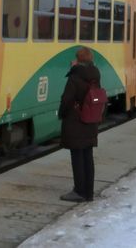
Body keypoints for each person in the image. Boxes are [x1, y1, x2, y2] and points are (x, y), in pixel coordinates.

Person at [57, 46, 100, 202]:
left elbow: (67, 99)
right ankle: (89, 192)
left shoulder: (75, 77)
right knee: (88, 156)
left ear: (78, 59)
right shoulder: (95, 74)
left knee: (77, 156)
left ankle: (79, 191)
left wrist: (61, 114)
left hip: (76, 122)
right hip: (90, 121)